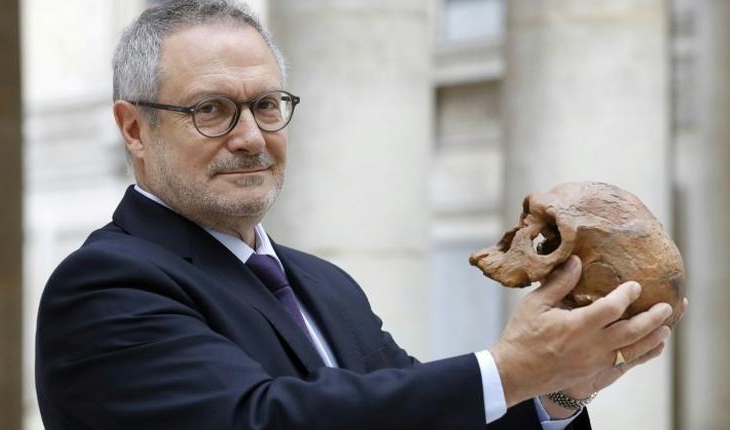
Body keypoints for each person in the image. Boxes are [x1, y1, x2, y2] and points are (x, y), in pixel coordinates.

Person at [35, 1, 679, 429]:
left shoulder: (324, 284)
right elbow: (261, 420)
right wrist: (511, 369)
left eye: (265, 104)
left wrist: (560, 389)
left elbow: (417, 419)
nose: (251, 137)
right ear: (134, 129)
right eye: (211, 110)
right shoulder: (102, 286)